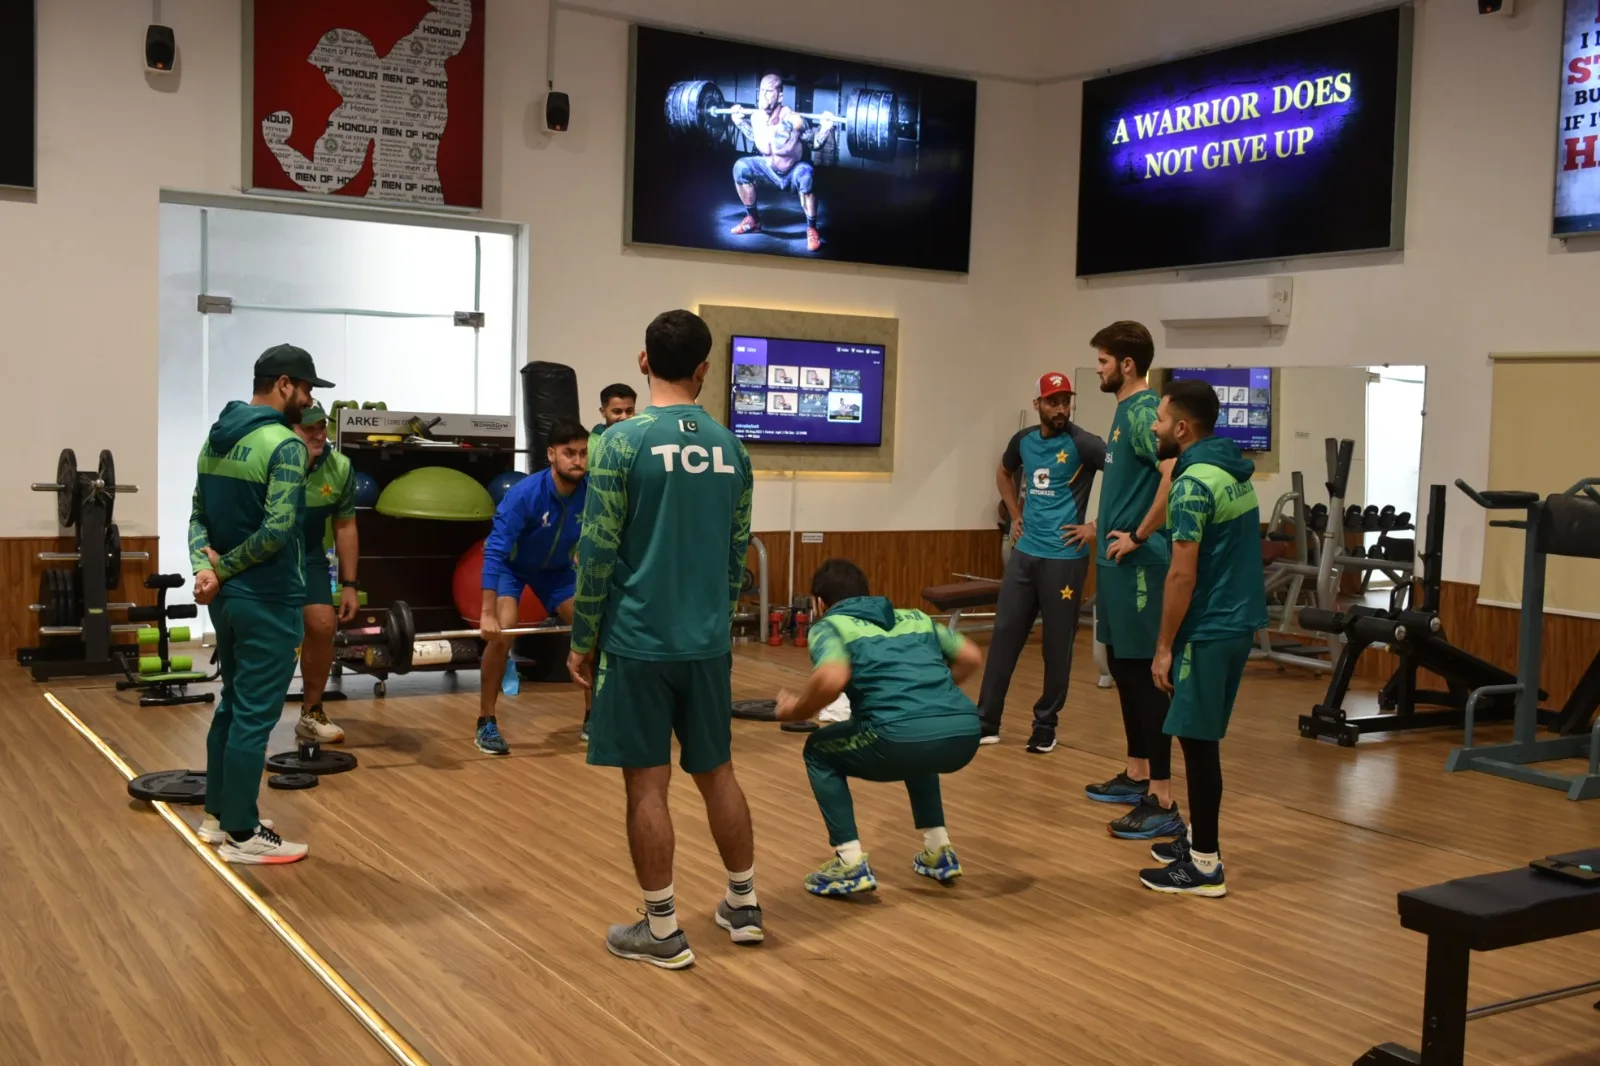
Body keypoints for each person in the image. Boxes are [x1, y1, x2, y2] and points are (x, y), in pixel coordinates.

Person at [567, 309, 760, 970]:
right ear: (704, 369)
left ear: (644, 361)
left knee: (647, 786)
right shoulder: (733, 449)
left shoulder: (619, 443)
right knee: (718, 773)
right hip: (706, 644)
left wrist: (583, 638)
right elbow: (736, 554)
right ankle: (743, 904)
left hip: (638, 644)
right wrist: (713, 622)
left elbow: (597, 549)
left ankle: (662, 929)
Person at [190, 343, 333, 864]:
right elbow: (277, 531)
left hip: (226, 601)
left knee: (232, 706)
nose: (310, 400)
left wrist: (206, 569)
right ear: (284, 384)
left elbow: (197, 515)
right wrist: (224, 568)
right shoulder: (286, 445)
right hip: (268, 599)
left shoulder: (216, 438)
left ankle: (217, 816)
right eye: (307, 388)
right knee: (254, 717)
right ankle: (243, 834)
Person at [774, 559, 983, 896]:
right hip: (966, 733)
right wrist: (933, 697)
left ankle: (849, 863)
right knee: (918, 745)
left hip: (894, 734)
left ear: (819, 603)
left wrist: (794, 710)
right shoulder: (916, 618)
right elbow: (971, 656)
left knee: (818, 750)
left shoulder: (831, 626)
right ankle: (938, 850)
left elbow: (831, 678)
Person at [1138, 379, 1269, 898]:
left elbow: (1181, 575)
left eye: (1160, 418)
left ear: (1181, 428)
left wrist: (1163, 647)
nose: (1154, 426)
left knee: (1197, 744)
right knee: (1200, 738)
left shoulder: (1192, 484)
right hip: (1236, 623)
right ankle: (1195, 839)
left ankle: (1205, 866)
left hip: (1208, 629)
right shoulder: (1230, 469)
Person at [1083, 322, 1185, 843]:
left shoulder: (1145, 411)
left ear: (1126, 365)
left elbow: (1172, 471)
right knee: (1123, 668)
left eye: (1103, 361)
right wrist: (1101, 527)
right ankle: (1137, 771)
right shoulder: (1125, 411)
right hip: (1115, 565)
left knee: (1146, 676)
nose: (1098, 369)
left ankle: (1161, 798)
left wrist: (1141, 535)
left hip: (1141, 565)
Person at [977, 372, 1106, 753]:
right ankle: (986, 721)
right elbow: (1004, 472)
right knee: (1004, 638)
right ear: (1038, 404)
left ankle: (1045, 726)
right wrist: (1015, 514)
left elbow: (1128, 479)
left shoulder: (1084, 444)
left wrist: (1095, 526)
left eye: (1066, 401)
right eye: (1053, 401)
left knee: (1056, 646)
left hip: (1065, 559)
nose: (1061, 408)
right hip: (1025, 555)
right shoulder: (1023, 441)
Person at [477, 417, 591, 754]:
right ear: (551, 455)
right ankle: (486, 722)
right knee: (504, 632)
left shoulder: (592, 492)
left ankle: (594, 717)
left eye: (583, 453)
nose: (578, 461)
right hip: (513, 569)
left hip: (556, 572)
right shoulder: (525, 495)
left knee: (589, 629)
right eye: (569, 453)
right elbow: (495, 552)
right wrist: (487, 613)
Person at [290, 402, 361, 745]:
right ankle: (249, 717)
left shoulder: (339, 466)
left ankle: (311, 712)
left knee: (322, 624)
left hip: (309, 557)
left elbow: (345, 526)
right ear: (291, 429)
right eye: (309, 428)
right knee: (270, 635)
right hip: (266, 556)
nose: (319, 434)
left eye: (322, 426)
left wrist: (349, 584)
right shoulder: (272, 459)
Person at [729, 73, 838, 254]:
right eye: (761, 91)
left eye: (768, 92)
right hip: (768, 171)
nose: (763, 96)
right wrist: (738, 122)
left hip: (793, 172)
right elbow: (756, 138)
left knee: (807, 175)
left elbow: (815, 144)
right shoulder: (756, 118)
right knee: (740, 167)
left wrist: (825, 128)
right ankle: (753, 220)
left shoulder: (795, 119)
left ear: (779, 96)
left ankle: (811, 229)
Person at [590, 383, 637, 456]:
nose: (624, 417)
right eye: (617, 411)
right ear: (603, 412)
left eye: (629, 411)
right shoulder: (591, 444)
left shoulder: (642, 437)